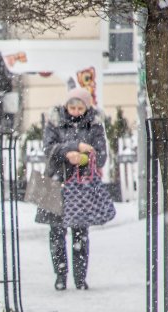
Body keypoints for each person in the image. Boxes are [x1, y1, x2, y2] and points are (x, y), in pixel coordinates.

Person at [37, 87, 107, 290]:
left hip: (81, 184)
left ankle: (80, 278)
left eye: (80, 107)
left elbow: (100, 156)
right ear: (65, 105)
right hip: (55, 181)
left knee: (80, 232)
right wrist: (72, 149)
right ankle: (60, 275)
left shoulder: (94, 126)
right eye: (72, 106)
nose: (75, 111)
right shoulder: (54, 122)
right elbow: (48, 150)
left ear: (87, 107)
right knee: (56, 232)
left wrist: (83, 157)